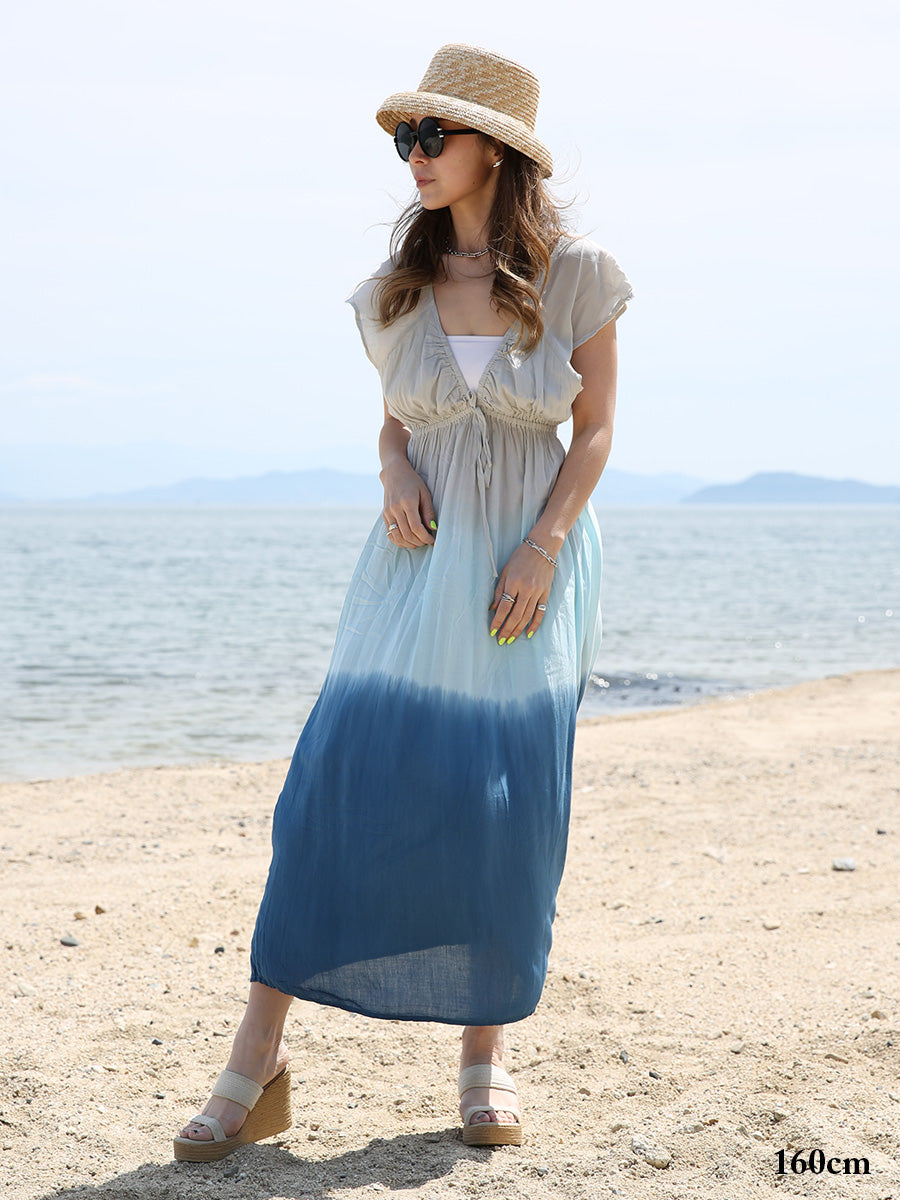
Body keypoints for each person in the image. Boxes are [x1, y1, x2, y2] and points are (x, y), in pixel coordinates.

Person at [174, 42, 632, 1160]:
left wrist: (542, 547)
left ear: (498, 152)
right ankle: (257, 1056)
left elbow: (596, 432)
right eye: (406, 139)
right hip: (411, 566)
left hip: (526, 566)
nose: (414, 156)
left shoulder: (578, 274)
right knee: (330, 791)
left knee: (500, 810)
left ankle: (484, 1056)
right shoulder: (397, 289)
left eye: (433, 135)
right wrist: (391, 473)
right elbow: (397, 424)